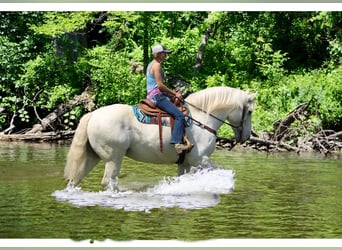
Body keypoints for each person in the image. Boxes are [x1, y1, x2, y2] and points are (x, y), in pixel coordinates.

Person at [146, 44, 187, 154]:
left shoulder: (151, 64)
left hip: (154, 95)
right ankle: (177, 143)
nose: (166, 55)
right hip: (157, 96)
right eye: (164, 53)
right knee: (179, 115)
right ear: (158, 54)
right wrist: (175, 94)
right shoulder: (157, 66)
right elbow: (160, 86)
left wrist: (171, 95)